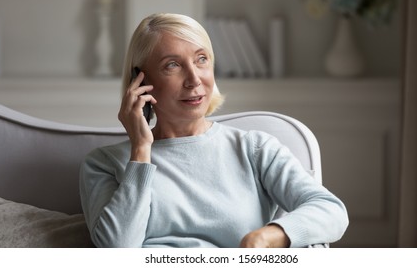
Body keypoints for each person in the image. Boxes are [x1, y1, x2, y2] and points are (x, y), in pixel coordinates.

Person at [79, 13, 348, 248]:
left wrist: (267, 237)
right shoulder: (103, 164)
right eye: (172, 65)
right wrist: (140, 150)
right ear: (141, 81)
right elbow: (118, 248)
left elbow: (330, 211)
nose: (194, 79)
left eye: (201, 59)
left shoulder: (254, 149)